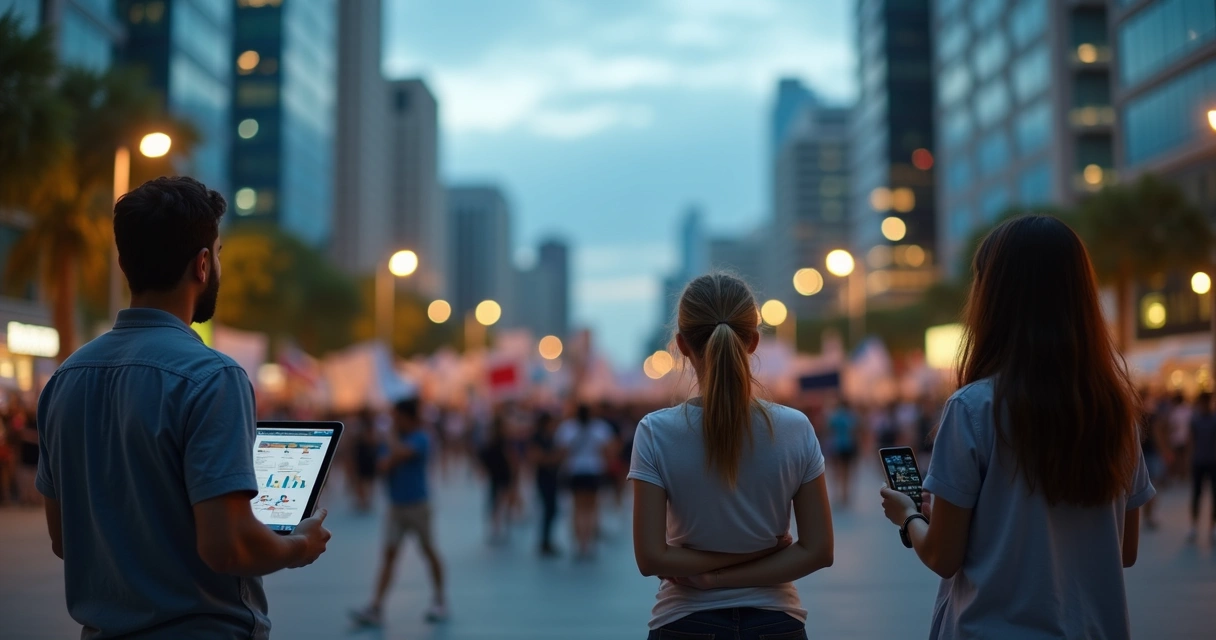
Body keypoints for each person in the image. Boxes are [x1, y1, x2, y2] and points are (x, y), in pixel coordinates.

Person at [35, 176, 330, 639]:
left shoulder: (64, 379)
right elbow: (227, 546)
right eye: (219, 254)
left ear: (124, 264)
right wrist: (299, 546)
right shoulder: (214, 377)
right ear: (203, 264)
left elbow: (62, 539)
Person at [879, 215, 1153, 639]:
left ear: (994, 298)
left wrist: (909, 514)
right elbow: (1125, 549)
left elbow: (942, 556)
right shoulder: (1113, 410)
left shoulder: (973, 408)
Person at [629, 273, 834, 640]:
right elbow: (818, 550)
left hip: (684, 621)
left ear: (682, 344)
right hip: (777, 623)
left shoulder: (655, 432)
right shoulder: (795, 427)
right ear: (753, 341)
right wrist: (749, 559)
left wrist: (714, 576)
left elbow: (651, 558)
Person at [352, 397, 448, 627]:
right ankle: (376, 606)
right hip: (395, 506)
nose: (393, 421)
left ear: (407, 417)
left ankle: (440, 600)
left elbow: (400, 454)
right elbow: (383, 465)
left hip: (418, 505)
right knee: (389, 555)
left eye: (396, 417)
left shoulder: (421, 437)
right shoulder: (397, 439)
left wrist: (391, 442)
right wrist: (391, 452)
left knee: (428, 551)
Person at [555, 403, 616, 558]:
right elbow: (608, 450)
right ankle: (588, 544)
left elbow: (562, 451)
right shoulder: (599, 427)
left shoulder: (568, 428)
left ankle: (578, 544)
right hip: (594, 470)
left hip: (575, 470)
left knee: (577, 508)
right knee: (591, 508)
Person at [530, 411, 564, 556]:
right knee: (549, 509)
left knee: (552, 510)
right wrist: (555, 458)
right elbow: (537, 458)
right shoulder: (538, 438)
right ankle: (544, 541)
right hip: (544, 478)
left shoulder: (551, 438)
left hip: (552, 477)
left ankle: (546, 540)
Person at [478, 414, 516, 544]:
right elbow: (510, 458)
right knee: (500, 502)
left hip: (497, 474)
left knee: (496, 502)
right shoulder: (502, 442)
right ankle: (499, 528)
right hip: (501, 474)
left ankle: (497, 528)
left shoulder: (492, 441)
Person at [1188, 392, 1216, 543]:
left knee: (1214, 495)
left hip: (1212, 462)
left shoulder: (1213, 419)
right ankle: (1194, 526)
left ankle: (1213, 527)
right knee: (1196, 495)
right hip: (1198, 461)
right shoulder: (1195, 420)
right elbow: (1191, 440)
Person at [827, 398, 859, 506]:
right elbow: (855, 431)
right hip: (848, 445)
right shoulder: (851, 416)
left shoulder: (834, 415)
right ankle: (845, 495)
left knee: (836, 471)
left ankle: (837, 494)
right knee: (847, 471)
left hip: (836, 445)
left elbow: (829, 429)